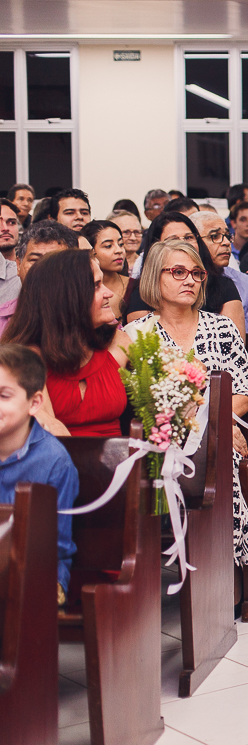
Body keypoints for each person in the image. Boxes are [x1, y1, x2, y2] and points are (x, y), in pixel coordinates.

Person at [138, 241, 248, 569]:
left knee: (219, 451)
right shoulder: (138, 334)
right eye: (178, 272)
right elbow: (140, 401)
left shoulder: (221, 328)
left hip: (216, 434)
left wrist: (214, 424)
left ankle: (217, 561)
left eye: (197, 273)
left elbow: (243, 394)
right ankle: (228, 557)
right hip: (161, 439)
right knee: (218, 448)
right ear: (154, 276)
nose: (190, 280)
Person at [2, 249, 129, 438]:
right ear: (67, 297)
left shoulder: (119, 343)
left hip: (119, 455)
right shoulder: (26, 357)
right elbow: (49, 427)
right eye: (96, 285)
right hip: (58, 454)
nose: (108, 293)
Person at [0, 343, 80, 602]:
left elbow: (57, 545)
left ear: (34, 403)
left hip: (35, 571)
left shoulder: (54, 461)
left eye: (4, 395)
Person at [124, 211, 245, 334]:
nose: (184, 244)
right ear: (156, 248)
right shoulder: (141, 293)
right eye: (173, 239)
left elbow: (233, 338)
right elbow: (143, 341)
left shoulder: (223, 285)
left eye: (189, 237)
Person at [191, 210, 248, 333]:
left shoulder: (245, 283)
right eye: (214, 236)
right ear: (193, 241)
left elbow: (247, 336)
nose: (226, 243)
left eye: (227, 236)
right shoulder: (183, 282)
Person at [80, 220, 128, 319]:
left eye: (121, 244)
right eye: (108, 246)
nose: (119, 250)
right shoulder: (79, 291)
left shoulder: (136, 287)